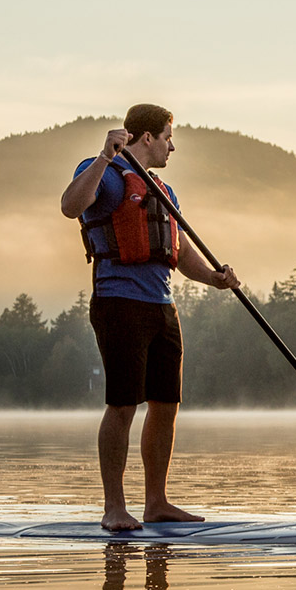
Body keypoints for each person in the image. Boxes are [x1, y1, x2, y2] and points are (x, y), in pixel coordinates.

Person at [59, 105, 242, 532]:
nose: (171, 145)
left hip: (162, 307)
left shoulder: (164, 190)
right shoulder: (102, 170)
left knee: (166, 405)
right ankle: (114, 507)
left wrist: (215, 279)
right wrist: (105, 155)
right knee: (123, 405)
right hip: (119, 303)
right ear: (147, 138)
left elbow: (178, 252)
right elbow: (70, 206)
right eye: (167, 137)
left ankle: (156, 502)